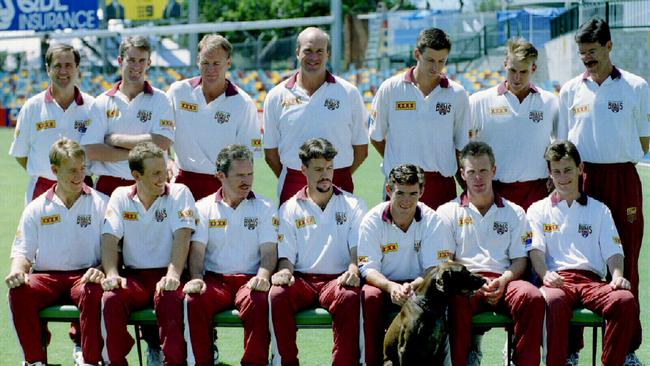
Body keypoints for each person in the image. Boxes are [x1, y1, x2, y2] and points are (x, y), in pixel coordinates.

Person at [559, 17, 648, 362]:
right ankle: (571, 349)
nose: (587, 59)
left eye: (593, 52)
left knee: (625, 262)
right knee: (577, 262)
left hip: (623, 180)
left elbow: (644, 139)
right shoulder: (570, 89)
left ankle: (625, 349)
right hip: (584, 181)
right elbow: (563, 142)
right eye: (582, 54)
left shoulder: (636, 86)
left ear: (610, 46)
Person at [527, 140, 640, 366]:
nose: (563, 177)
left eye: (568, 170)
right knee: (553, 300)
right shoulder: (537, 209)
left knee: (624, 300)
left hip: (592, 282)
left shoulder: (600, 210)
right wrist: (545, 274)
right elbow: (535, 251)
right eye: (556, 172)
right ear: (549, 174)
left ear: (580, 169)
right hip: (558, 280)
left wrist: (617, 275)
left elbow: (614, 251)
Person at [436, 141, 544, 366]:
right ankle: (463, 359)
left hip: (504, 281)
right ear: (462, 174)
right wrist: (473, 282)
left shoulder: (515, 212)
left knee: (531, 296)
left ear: (494, 171)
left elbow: (519, 260)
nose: (478, 178)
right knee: (455, 299)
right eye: (472, 172)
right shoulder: (446, 212)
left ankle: (520, 360)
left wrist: (504, 280)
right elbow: (446, 261)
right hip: (466, 282)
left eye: (483, 170)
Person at [6, 138, 108, 366]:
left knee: (94, 290)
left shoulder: (102, 203)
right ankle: (35, 361)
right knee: (19, 292)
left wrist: (101, 270)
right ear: (54, 170)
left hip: (85, 275)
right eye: (72, 170)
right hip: (46, 277)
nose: (79, 175)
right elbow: (22, 251)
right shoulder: (36, 207)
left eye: (83, 169)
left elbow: (115, 251)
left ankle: (90, 360)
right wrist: (17, 272)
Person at [270, 138, 367, 365]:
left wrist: (353, 270)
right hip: (302, 280)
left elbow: (357, 250)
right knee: (277, 295)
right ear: (303, 170)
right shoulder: (289, 208)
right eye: (318, 169)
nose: (325, 175)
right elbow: (286, 258)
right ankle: (286, 361)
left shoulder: (354, 204)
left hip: (337, 279)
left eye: (329, 168)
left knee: (350, 296)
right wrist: (284, 273)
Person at [100, 142, 196, 366]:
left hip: (169, 272)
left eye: (164, 171)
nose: (163, 177)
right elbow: (109, 238)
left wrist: (173, 274)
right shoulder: (120, 195)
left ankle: (172, 361)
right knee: (111, 298)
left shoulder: (180, 192)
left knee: (169, 298)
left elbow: (183, 235)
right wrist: (112, 273)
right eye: (155, 173)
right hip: (135, 277)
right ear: (136, 175)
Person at [183, 145, 277, 365]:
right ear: (220, 176)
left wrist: (263, 277)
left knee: (259, 300)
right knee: (193, 300)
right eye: (240, 175)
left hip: (250, 279)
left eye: (250, 173)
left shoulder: (265, 206)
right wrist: (196, 279)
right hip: (216, 281)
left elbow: (269, 252)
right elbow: (197, 253)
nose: (247, 180)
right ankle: (201, 361)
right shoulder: (203, 207)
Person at [358, 163, 455, 366]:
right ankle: (370, 361)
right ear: (388, 190)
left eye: (412, 193)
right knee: (369, 296)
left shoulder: (433, 221)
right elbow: (368, 268)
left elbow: (433, 270)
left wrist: (412, 287)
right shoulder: (371, 221)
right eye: (400, 193)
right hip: (384, 286)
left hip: (420, 288)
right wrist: (391, 287)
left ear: (422, 191)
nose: (406, 201)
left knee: (442, 294)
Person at [263, 27, 369, 204]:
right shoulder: (276, 96)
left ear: (328, 54)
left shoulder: (349, 93)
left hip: (339, 181)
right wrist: (301, 174)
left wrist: (330, 174)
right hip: (294, 181)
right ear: (297, 52)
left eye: (320, 51)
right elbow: (271, 153)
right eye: (308, 51)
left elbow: (361, 149)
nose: (314, 57)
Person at [369, 27, 471, 209]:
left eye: (442, 61)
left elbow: (461, 147)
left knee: (443, 238)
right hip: (401, 183)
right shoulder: (390, 88)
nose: (436, 67)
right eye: (430, 60)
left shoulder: (458, 94)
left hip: (441, 185)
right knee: (397, 237)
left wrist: (466, 187)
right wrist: (397, 162)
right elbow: (376, 137)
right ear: (417, 54)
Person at [469, 37, 563, 210]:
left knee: (535, 238)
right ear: (505, 64)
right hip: (495, 190)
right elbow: (462, 145)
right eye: (512, 70)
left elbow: (561, 144)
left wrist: (555, 174)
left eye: (523, 72)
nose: (517, 78)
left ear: (533, 68)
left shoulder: (550, 102)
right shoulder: (479, 101)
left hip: (538, 189)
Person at [167, 34, 261, 200]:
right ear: (198, 61)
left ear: (228, 63)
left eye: (216, 63)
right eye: (205, 63)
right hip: (182, 182)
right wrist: (167, 159)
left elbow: (248, 154)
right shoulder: (178, 92)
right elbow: (160, 131)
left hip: (223, 185)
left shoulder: (243, 103)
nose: (210, 69)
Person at [82, 36, 175, 196]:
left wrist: (115, 140)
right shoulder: (102, 102)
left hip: (150, 184)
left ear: (149, 63)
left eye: (141, 60)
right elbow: (92, 150)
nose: (136, 66)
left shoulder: (161, 99)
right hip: (109, 186)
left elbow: (161, 142)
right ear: (120, 60)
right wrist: (139, 154)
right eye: (131, 60)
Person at [9, 44, 95, 203]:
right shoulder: (32, 106)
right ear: (48, 69)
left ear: (77, 68)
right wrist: (46, 172)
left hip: (82, 188)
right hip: (42, 189)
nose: (63, 71)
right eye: (57, 66)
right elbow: (21, 154)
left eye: (68, 65)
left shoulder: (93, 106)